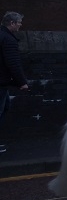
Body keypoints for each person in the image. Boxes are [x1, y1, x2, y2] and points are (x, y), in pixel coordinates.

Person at [0, 11, 30, 154]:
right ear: (11, 23)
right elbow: (13, 63)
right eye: (18, 22)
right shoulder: (8, 39)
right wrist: (22, 82)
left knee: (5, 107)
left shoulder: (2, 36)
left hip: (3, 83)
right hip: (1, 83)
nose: (20, 25)